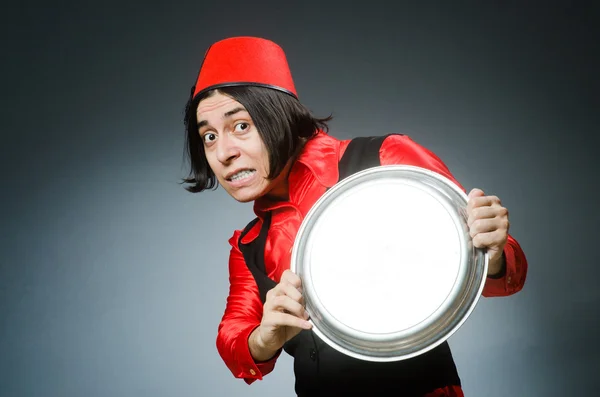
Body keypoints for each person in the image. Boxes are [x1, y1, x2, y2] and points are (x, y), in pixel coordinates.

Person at [182, 36, 528, 397]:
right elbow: (233, 340)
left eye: (240, 126)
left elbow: (495, 275)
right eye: (208, 136)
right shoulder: (249, 245)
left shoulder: (385, 159)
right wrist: (264, 337)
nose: (222, 153)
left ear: (279, 116)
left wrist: (494, 249)